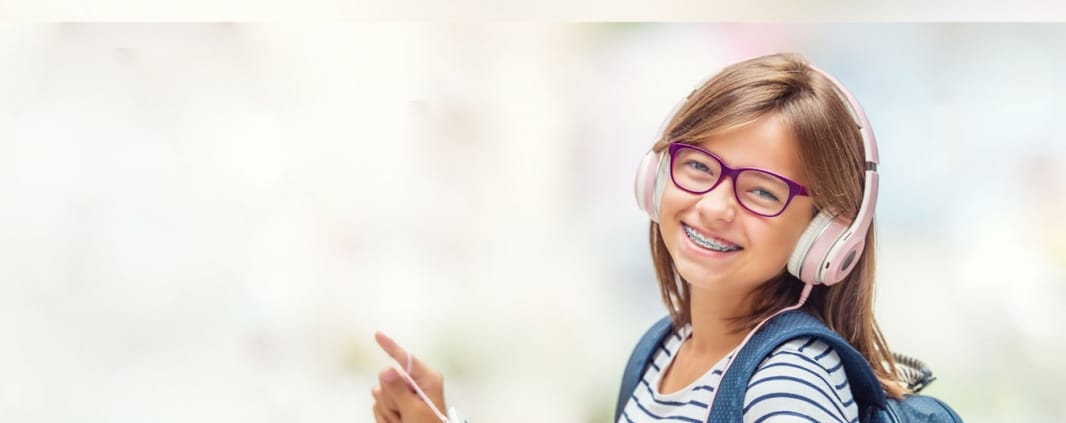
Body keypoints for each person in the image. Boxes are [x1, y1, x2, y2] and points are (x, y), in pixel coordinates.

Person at [369, 53, 911, 423]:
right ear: (656, 177)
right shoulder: (663, 350)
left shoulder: (788, 381)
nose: (715, 206)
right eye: (699, 166)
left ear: (826, 238)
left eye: (763, 193)